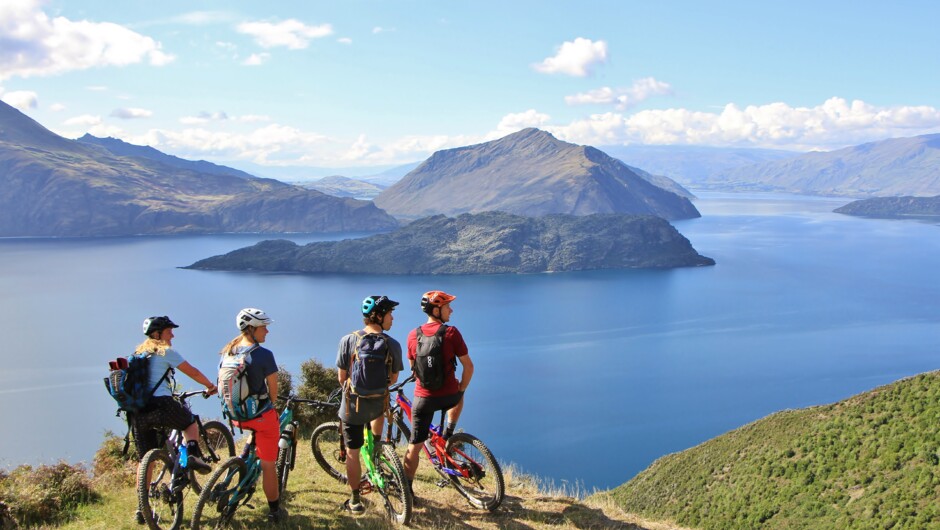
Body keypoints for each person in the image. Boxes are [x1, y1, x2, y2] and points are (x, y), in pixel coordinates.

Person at [130, 315, 218, 525]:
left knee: (145, 462)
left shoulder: (138, 353)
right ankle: (194, 456)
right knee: (189, 423)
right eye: (169, 331)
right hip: (161, 406)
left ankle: (142, 507)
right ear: (157, 334)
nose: (173, 335)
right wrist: (209, 386)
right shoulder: (165, 351)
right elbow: (192, 372)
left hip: (138, 413)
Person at [335, 295, 404, 514]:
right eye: (390, 314)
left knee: (352, 453)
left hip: (353, 407)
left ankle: (355, 499)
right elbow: (393, 379)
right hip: (377, 406)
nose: (392, 319)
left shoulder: (348, 340)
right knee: (378, 415)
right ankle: (375, 446)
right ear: (379, 316)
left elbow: (341, 377)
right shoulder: (392, 344)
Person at [403, 291, 474, 498]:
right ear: (436, 310)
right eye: (447, 307)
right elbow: (468, 367)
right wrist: (460, 388)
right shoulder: (451, 333)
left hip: (423, 398)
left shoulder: (412, 335)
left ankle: (407, 491)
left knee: (414, 447)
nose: (451, 310)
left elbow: (413, 369)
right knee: (460, 396)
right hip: (449, 395)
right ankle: (448, 434)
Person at [218, 308, 286, 523]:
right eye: (263, 327)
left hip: (236, 416)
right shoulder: (263, 355)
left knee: (253, 430)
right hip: (261, 418)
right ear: (251, 329)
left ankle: (246, 454)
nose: (266, 331)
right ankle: (275, 510)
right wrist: (271, 406)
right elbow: (273, 391)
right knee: (268, 465)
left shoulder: (228, 352)